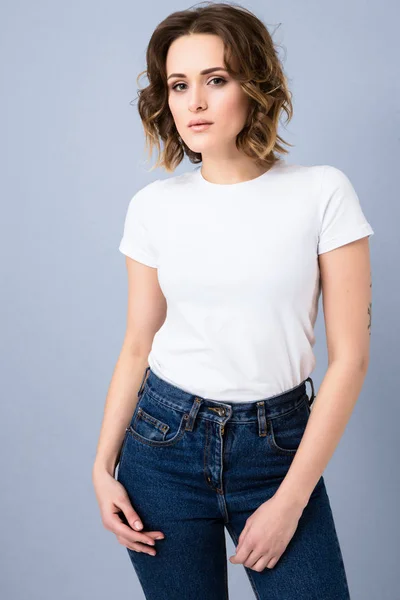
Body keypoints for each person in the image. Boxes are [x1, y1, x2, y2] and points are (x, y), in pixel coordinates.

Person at [92, 3, 374, 598]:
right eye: (178, 84)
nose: (194, 101)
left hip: (278, 449)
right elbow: (138, 343)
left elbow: (350, 359)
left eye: (215, 80)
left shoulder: (323, 193)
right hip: (162, 446)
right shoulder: (153, 207)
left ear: (255, 85)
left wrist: (291, 499)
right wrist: (101, 466)